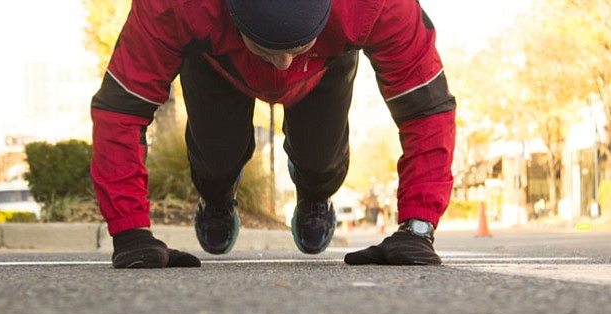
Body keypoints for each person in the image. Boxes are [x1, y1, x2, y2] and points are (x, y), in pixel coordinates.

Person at [91, 0, 456, 269]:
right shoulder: (175, 6)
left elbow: (426, 109)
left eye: (294, 48)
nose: (283, 66)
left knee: (321, 161)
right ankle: (216, 198)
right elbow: (121, 110)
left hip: (325, 63)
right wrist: (130, 232)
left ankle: (315, 196)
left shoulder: (376, 5)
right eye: (268, 49)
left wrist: (418, 227)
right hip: (217, 63)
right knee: (215, 161)